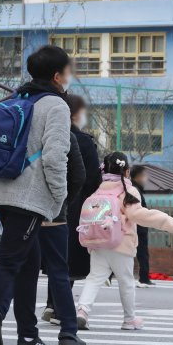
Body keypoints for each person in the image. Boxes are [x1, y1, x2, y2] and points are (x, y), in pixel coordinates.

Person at [0, 45, 71, 345]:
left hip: (5, 191)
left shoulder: (20, 98)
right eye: (68, 71)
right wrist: (59, 195)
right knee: (9, 263)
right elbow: (54, 156)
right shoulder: (56, 106)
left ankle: (28, 336)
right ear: (57, 75)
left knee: (28, 265)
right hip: (30, 196)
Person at [0, 115, 87, 345]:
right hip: (54, 215)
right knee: (59, 271)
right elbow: (78, 175)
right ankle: (68, 331)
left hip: (23, 210)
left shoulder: (22, 131)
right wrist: (62, 202)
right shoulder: (64, 136)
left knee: (13, 268)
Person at [75, 152, 173, 331]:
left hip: (98, 243)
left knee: (94, 278)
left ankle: (82, 310)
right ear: (126, 172)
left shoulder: (99, 190)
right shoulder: (129, 191)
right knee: (126, 281)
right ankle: (129, 319)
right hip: (120, 244)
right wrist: (169, 222)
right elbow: (139, 215)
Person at [65, 95, 101, 291]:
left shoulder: (47, 136)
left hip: (46, 204)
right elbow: (92, 179)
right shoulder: (84, 142)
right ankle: (58, 306)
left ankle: (52, 304)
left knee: (54, 256)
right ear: (74, 115)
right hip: (77, 206)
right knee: (70, 256)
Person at [130, 165, 155, 288]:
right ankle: (144, 277)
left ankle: (109, 274)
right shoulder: (135, 190)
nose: (145, 178)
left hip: (136, 226)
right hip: (139, 226)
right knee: (141, 253)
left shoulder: (133, 188)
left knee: (129, 252)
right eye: (144, 175)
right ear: (138, 176)